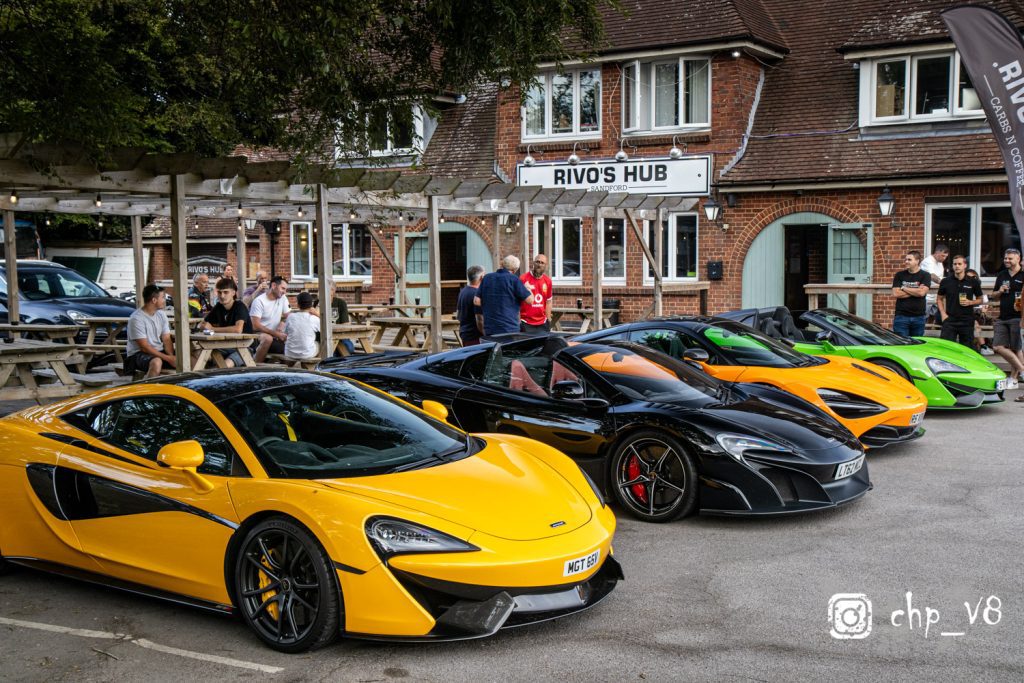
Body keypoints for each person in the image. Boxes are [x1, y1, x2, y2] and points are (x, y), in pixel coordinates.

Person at [990, 248, 1024, 389]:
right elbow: (993, 295)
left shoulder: (1023, 275)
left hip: (1018, 317)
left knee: (1016, 348)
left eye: (1010, 258)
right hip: (1003, 316)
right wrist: (1000, 291)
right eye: (1005, 258)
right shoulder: (1002, 275)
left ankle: (1014, 379)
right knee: (997, 346)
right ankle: (1022, 370)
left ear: (1018, 259)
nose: (1007, 261)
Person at [125, 284, 175, 378]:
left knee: (189, 359)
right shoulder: (136, 318)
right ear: (154, 300)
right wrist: (168, 359)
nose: (165, 300)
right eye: (163, 297)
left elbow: (166, 338)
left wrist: (171, 356)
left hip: (158, 351)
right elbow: (144, 347)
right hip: (137, 355)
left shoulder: (161, 314)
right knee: (156, 362)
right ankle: (150, 391)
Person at [201, 277, 252, 367]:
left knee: (224, 366)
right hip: (224, 346)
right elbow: (203, 324)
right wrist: (205, 326)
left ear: (233, 293)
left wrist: (213, 329)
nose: (222, 296)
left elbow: (238, 329)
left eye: (226, 292)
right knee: (197, 354)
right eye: (219, 292)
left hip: (244, 347)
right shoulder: (219, 306)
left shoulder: (240, 306)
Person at [477, 255, 533, 337]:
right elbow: (530, 300)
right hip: (509, 328)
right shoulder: (514, 279)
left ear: (502, 264)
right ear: (515, 270)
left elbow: (476, 301)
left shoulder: (487, 278)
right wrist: (528, 289)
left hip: (490, 327)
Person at [936, 255, 982, 347]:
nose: (957, 266)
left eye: (959, 264)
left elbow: (980, 299)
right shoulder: (946, 281)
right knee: (946, 348)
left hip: (967, 320)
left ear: (965, 265)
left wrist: (971, 302)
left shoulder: (973, 281)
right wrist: (943, 314)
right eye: (955, 264)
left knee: (966, 349)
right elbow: (939, 299)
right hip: (950, 319)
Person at [891, 251, 931, 337]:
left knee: (917, 345)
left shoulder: (925, 275)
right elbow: (896, 294)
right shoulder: (899, 275)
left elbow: (922, 293)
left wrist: (903, 288)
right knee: (901, 345)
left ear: (917, 261)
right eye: (905, 259)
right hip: (901, 316)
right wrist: (916, 290)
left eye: (909, 259)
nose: (906, 262)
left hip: (919, 317)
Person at [250, 275, 290, 362]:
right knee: (268, 339)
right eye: (283, 288)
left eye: (286, 289)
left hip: (275, 336)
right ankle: (257, 367)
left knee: (294, 346)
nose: (285, 292)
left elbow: (289, 316)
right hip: (258, 335)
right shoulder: (259, 301)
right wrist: (275, 334)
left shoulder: (283, 298)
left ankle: (282, 371)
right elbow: (255, 325)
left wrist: (283, 322)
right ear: (274, 285)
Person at [520, 254, 553, 334]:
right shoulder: (523, 279)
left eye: (542, 263)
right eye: (537, 262)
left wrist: (548, 320)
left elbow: (548, 302)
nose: (539, 265)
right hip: (526, 322)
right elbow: (517, 301)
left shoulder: (548, 281)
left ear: (545, 265)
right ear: (533, 263)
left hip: (542, 323)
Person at [284, 292, 321, 360]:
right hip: (307, 354)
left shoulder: (290, 317)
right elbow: (326, 328)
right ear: (311, 304)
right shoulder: (314, 318)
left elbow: (285, 333)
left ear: (298, 304)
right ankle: (316, 366)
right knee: (321, 344)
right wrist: (317, 314)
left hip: (290, 353)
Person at [456, 265, 485, 346]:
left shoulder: (463, 291)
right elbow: (480, 320)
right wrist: (486, 335)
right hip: (475, 336)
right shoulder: (477, 295)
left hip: (465, 333)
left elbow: (458, 314)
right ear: (481, 277)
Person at [920, 243, 949, 322]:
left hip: (936, 295)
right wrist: (942, 282)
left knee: (933, 318)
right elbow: (931, 275)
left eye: (946, 256)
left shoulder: (940, 263)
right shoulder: (928, 261)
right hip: (926, 296)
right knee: (924, 318)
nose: (944, 258)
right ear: (937, 252)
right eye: (943, 255)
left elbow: (941, 276)